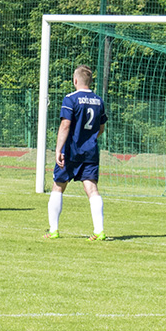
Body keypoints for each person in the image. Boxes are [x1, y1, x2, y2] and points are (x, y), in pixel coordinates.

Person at [45, 64, 108, 241]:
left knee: (58, 186)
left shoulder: (70, 99)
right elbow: (101, 128)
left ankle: (54, 230)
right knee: (92, 188)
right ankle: (99, 231)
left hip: (70, 151)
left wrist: (58, 149)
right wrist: (88, 139)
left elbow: (65, 125)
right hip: (90, 152)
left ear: (75, 80)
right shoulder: (99, 101)